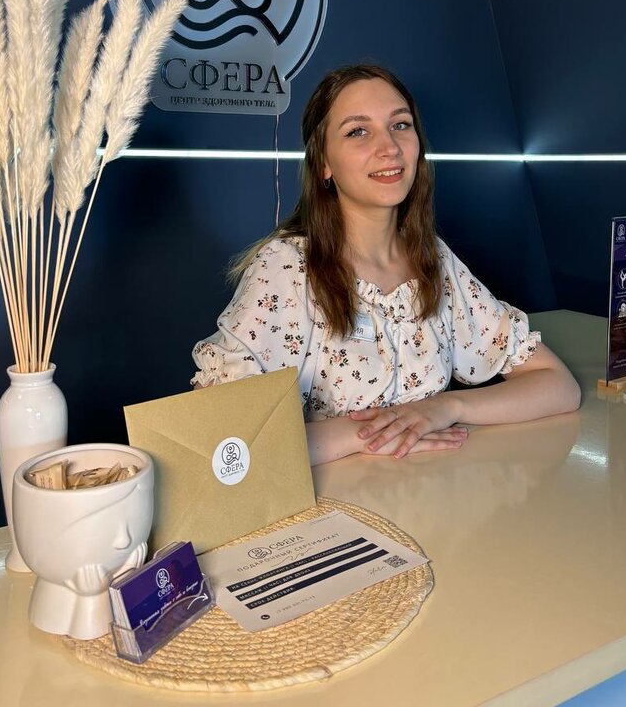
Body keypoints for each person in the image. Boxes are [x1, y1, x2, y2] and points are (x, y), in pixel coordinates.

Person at [192, 65, 580, 465]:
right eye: (358, 131)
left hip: (437, 494)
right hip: (330, 502)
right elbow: (223, 440)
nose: (389, 147)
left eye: (400, 125)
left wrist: (445, 408)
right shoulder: (287, 267)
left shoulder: (434, 259)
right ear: (323, 163)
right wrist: (366, 435)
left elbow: (558, 386)